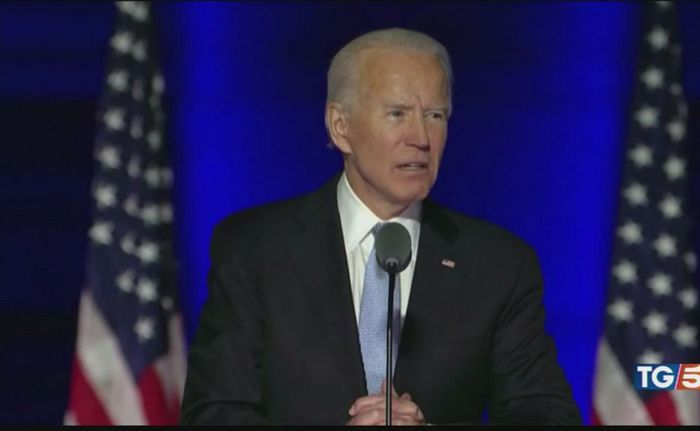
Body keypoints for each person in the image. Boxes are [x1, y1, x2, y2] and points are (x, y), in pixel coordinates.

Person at [180, 28, 581, 425]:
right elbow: (213, 414)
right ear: (340, 126)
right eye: (397, 114)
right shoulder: (254, 251)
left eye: (435, 115)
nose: (421, 137)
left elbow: (547, 417)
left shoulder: (498, 265)